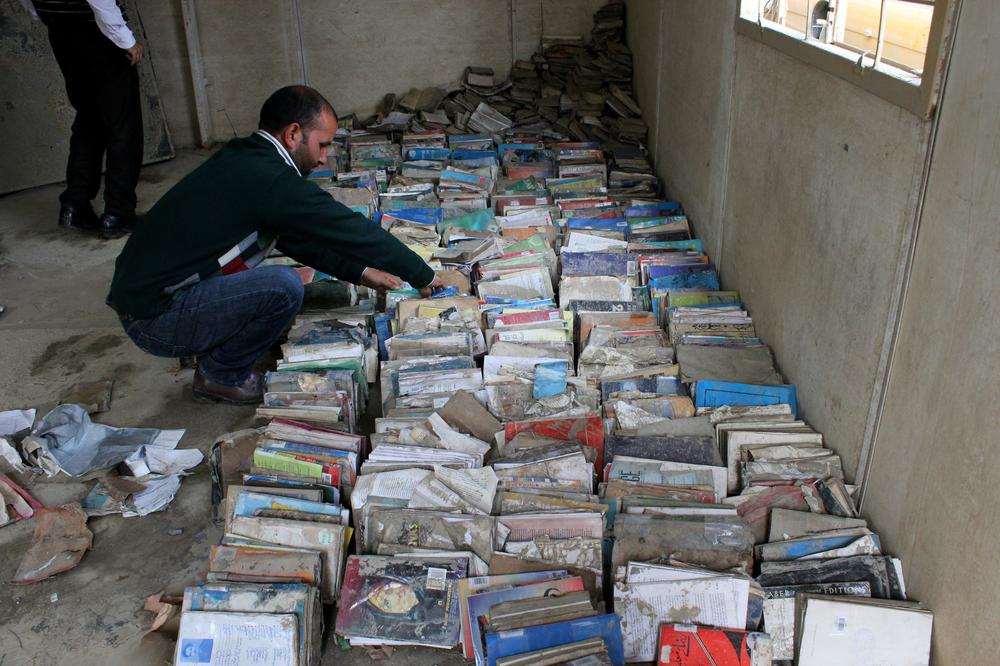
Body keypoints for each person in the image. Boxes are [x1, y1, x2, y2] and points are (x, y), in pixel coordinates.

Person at [108, 85, 443, 405]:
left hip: (145, 303)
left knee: (278, 283)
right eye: (322, 145)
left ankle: (212, 351)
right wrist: (422, 274)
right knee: (282, 286)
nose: (323, 159)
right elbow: (351, 229)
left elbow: (295, 238)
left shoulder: (248, 158)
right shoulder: (270, 179)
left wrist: (359, 271)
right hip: (156, 319)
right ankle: (220, 376)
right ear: (293, 133)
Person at [20, 0, 144, 239]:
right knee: (122, 123)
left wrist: (44, 13)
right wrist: (125, 39)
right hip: (96, 32)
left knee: (89, 117)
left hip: (60, 30)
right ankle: (118, 213)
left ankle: (75, 205)